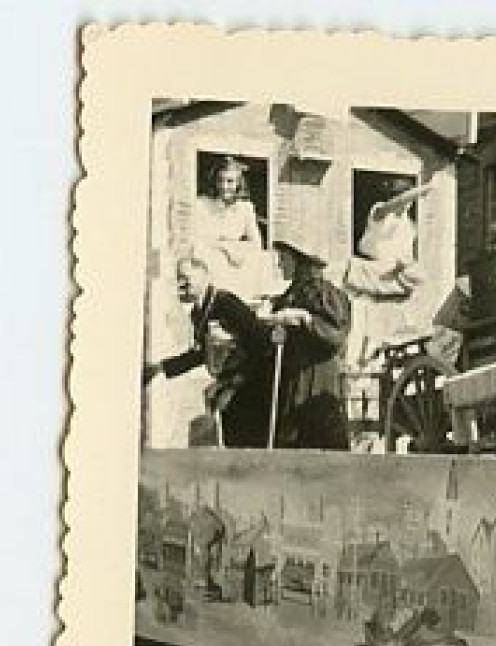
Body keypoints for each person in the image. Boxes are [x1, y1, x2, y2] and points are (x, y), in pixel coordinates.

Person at [142, 255, 272, 448]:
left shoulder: (226, 303)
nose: (181, 283)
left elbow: (260, 342)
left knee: (246, 444)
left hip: (251, 386)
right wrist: (160, 368)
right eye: (178, 278)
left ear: (205, 276)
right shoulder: (198, 313)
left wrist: (236, 384)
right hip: (229, 386)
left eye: (186, 277)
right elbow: (201, 354)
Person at [266, 236, 352, 450]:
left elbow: (336, 334)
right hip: (296, 377)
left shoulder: (324, 294)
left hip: (319, 377)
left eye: (284, 259)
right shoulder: (292, 294)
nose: (279, 264)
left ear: (299, 261)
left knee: (320, 436)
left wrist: (305, 319)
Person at [347, 176, 432, 299]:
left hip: (397, 271)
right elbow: (398, 201)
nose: (407, 203)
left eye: (410, 200)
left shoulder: (410, 225)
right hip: (374, 265)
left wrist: (405, 264)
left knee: (420, 277)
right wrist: (423, 189)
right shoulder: (379, 211)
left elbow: (408, 255)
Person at [192, 157, 263, 285]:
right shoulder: (201, 204)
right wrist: (225, 248)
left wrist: (236, 250)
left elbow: (256, 244)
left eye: (230, 181)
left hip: (235, 265)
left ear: (238, 183)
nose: (224, 187)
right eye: (220, 180)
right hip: (209, 264)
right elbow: (197, 240)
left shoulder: (245, 208)